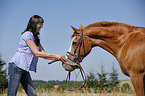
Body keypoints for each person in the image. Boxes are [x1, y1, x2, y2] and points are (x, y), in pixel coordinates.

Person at [7, 15, 66, 96]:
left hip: (24, 68)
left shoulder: (36, 39)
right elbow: (37, 53)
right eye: (40, 24)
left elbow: (44, 55)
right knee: (12, 93)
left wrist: (60, 58)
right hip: (16, 66)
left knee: (32, 94)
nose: (42, 26)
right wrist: (56, 55)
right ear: (33, 24)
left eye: (42, 24)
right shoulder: (27, 34)